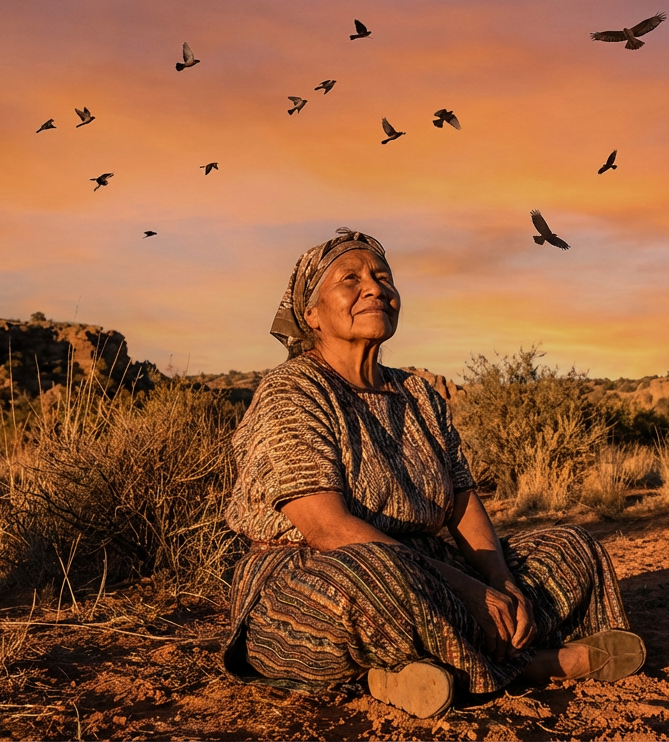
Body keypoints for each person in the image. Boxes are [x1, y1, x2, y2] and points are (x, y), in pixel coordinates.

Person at [220, 229, 644, 718]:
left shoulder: (419, 395)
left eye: (383, 277)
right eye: (350, 279)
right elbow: (328, 529)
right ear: (311, 314)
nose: (375, 288)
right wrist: (468, 592)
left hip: (426, 568)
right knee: (378, 575)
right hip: (323, 574)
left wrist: (499, 581)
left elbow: (462, 501)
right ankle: (529, 666)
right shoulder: (292, 391)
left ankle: (416, 672)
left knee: (573, 548)